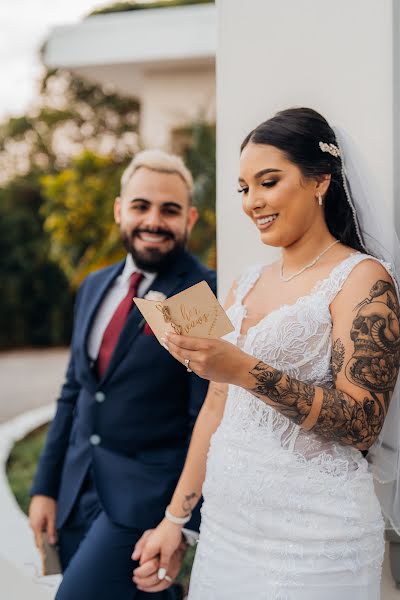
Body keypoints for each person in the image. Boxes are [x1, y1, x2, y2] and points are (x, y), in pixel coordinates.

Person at [132, 108, 400, 599]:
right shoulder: (244, 284)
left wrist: (243, 369)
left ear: (320, 181)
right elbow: (216, 408)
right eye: (243, 188)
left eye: (268, 182)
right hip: (226, 532)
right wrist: (176, 520)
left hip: (316, 540)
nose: (252, 201)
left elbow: (362, 424)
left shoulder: (364, 280)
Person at [28, 149, 216, 600]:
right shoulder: (94, 285)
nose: (154, 220)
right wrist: (45, 487)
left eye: (169, 210)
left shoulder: (196, 295)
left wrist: (181, 524)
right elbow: (74, 392)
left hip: (141, 504)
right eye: (141, 206)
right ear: (120, 211)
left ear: (189, 218)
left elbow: (207, 415)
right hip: (76, 492)